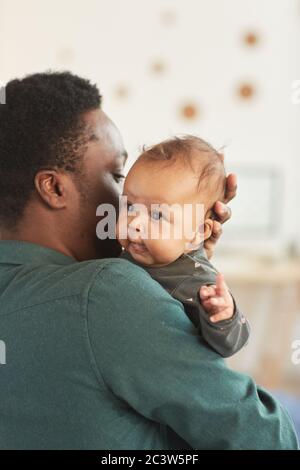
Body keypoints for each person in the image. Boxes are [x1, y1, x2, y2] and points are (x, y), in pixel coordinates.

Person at [0, 72, 297, 450]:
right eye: (117, 176)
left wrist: (182, 268)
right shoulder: (107, 293)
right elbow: (270, 439)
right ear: (55, 188)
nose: (132, 214)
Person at [117, 136, 250, 357]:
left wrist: (224, 316)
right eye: (130, 206)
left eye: (157, 214)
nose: (134, 224)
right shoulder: (127, 254)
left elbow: (232, 343)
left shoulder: (197, 282)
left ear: (198, 231)